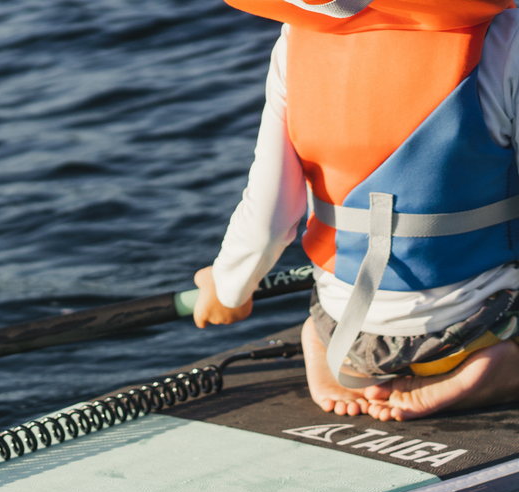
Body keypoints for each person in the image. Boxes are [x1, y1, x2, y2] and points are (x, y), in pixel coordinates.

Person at [193, 0, 519, 422]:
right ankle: (498, 368)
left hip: (346, 332)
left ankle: (332, 352)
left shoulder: (295, 39)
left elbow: (268, 219)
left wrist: (227, 289)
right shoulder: (505, 35)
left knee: (330, 301)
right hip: (470, 328)